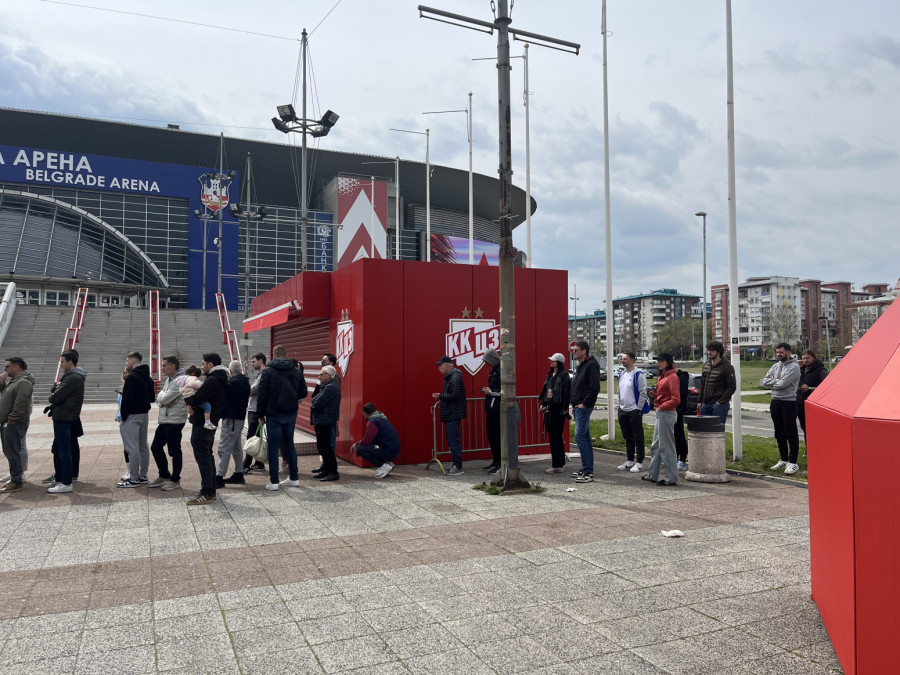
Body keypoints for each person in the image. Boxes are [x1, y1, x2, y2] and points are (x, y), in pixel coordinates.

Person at [256, 345, 308, 490]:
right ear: (286, 355)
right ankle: (294, 477)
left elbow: (262, 394)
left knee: (273, 447)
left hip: (273, 414)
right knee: (289, 444)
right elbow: (303, 392)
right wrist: (292, 398)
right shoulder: (296, 371)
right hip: (290, 413)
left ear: (273, 354)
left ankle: (273, 482)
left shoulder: (268, 371)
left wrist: (260, 414)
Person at [183, 353, 229, 505]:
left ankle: (207, 492)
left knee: (203, 458)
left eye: (203, 364)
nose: (201, 366)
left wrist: (188, 401)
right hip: (209, 422)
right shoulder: (219, 379)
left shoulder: (213, 380)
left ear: (210, 364)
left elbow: (197, 398)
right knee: (207, 456)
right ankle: (211, 490)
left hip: (203, 424)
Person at [46, 350, 86, 494]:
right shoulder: (71, 376)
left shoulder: (73, 378)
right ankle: (61, 478)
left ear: (70, 362)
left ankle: (66, 482)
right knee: (59, 449)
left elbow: (55, 397)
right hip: (64, 417)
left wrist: (54, 393)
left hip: (65, 417)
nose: (61, 364)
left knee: (63, 451)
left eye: (62, 362)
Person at [762, 342, 802, 475]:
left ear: (788, 352)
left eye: (781, 352)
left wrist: (774, 381)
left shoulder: (794, 367)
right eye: (777, 352)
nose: (778, 355)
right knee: (779, 433)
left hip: (789, 402)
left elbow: (783, 384)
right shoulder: (775, 366)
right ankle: (783, 459)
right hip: (775, 402)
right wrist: (776, 381)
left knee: (790, 432)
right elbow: (764, 381)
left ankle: (793, 462)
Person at [117, 351, 155, 488]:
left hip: (132, 416)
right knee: (143, 446)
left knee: (132, 447)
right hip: (144, 414)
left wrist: (124, 417)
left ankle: (133, 478)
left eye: (127, 361)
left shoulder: (132, 377)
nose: (126, 363)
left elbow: (127, 400)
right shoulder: (147, 377)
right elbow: (152, 398)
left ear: (133, 361)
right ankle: (142, 476)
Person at [148, 355, 187, 491]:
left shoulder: (179, 380)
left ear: (173, 366)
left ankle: (175, 480)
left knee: (174, 450)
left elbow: (163, 399)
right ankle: (164, 475)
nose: (162, 368)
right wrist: (162, 399)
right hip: (166, 419)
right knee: (155, 447)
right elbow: (160, 398)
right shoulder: (170, 379)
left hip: (175, 420)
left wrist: (162, 399)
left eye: (164, 365)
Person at [642, 352, 680, 486]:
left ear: (668, 362)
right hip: (662, 413)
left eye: (662, 361)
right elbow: (666, 395)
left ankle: (671, 478)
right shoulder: (663, 376)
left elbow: (676, 399)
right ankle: (653, 474)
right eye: (658, 361)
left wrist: (661, 406)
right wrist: (655, 395)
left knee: (666, 447)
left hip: (666, 413)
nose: (659, 363)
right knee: (656, 446)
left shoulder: (672, 377)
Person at [0, 357, 35, 493]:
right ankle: (16, 477)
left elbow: (21, 404)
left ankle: (16, 481)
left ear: (16, 367)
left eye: (7, 367)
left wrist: (12, 419)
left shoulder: (23, 382)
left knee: (13, 452)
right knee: (9, 451)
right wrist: (2, 382)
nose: (5, 369)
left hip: (14, 423)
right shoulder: (13, 382)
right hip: (7, 422)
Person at [569, 341, 601, 483]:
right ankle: (586, 468)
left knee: (580, 437)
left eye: (575, 350)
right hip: (577, 405)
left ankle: (588, 471)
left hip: (583, 407)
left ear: (584, 351)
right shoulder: (581, 365)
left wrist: (585, 403)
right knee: (585, 438)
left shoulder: (591, 365)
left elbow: (594, 387)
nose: (573, 352)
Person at [216, 360, 251, 487]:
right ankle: (238, 473)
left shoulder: (232, 383)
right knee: (236, 447)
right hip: (239, 418)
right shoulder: (245, 382)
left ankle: (219, 476)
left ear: (230, 371)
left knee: (224, 447)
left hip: (231, 419)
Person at [433, 355, 467, 475]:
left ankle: (458, 467)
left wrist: (440, 396)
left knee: (454, 441)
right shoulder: (451, 377)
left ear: (447, 366)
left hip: (453, 414)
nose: (439, 368)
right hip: (451, 413)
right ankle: (455, 465)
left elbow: (455, 395)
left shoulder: (455, 377)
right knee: (451, 440)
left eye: (440, 366)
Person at [615, 352, 648, 473]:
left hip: (634, 410)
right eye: (622, 359)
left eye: (625, 359)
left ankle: (639, 462)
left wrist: (638, 409)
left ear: (632, 360)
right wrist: (619, 406)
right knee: (627, 436)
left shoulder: (638, 374)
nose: (623, 360)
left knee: (637, 436)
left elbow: (643, 392)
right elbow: (619, 391)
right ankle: (629, 460)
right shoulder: (622, 374)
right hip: (623, 410)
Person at [538, 353, 571, 474]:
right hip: (549, 407)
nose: (551, 362)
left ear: (559, 362)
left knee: (557, 436)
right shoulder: (549, 375)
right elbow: (547, 391)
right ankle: (556, 463)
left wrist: (564, 409)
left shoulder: (564, 375)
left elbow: (566, 394)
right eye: (551, 360)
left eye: (554, 360)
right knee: (552, 436)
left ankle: (558, 464)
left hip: (558, 408)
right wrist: (543, 404)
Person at [350, 402, 400, 478]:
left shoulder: (372, 422)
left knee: (360, 449)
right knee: (364, 446)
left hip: (388, 450)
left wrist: (357, 444)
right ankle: (387, 464)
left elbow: (366, 441)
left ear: (364, 413)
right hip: (393, 449)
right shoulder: (381, 418)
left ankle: (383, 466)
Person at [310, 353, 340, 474]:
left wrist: (315, 401)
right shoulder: (325, 385)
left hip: (326, 420)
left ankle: (332, 471)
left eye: (322, 374)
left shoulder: (330, 386)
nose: (319, 376)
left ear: (328, 375)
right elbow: (314, 398)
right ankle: (326, 468)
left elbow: (316, 403)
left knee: (327, 447)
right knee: (322, 447)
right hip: (322, 420)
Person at [697, 341, 736, 425]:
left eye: (712, 350)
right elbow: (702, 385)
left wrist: (720, 402)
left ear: (718, 352)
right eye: (708, 350)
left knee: (717, 431)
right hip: (705, 404)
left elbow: (732, 386)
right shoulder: (706, 365)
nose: (709, 352)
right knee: (703, 431)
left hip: (719, 405)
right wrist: (700, 401)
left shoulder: (727, 367)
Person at [242, 352, 267, 474]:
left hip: (256, 409)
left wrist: (244, 390)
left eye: (254, 361)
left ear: (261, 361)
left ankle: (246, 465)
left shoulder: (263, 374)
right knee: (256, 436)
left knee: (251, 437)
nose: (252, 364)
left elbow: (255, 389)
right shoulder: (261, 374)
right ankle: (259, 463)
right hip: (256, 408)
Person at [479, 348, 501, 474]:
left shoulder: (501, 371)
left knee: (497, 437)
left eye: (487, 361)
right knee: (492, 436)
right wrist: (488, 390)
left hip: (497, 409)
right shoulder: (493, 371)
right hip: (491, 407)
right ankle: (495, 461)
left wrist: (490, 392)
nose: (487, 364)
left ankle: (499, 463)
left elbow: (504, 390)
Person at [797, 349, 828, 435]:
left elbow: (827, 388)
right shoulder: (802, 369)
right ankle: (808, 448)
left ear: (814, 358)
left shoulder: (821, 371)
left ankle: (816, 447)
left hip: (814, 404)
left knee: (814, 428)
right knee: (804, 427)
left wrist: (810, 388)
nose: (805, 360)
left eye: (808, 358)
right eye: (803, 358)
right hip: (801, 403)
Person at [180, 365, 214, 430]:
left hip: (187, 398)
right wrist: (204, 384)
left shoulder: (184, 379)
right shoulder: (191, 379)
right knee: (207, 406)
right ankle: (207, 422)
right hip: (191, 397)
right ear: (193, 374)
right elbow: (196, 385)